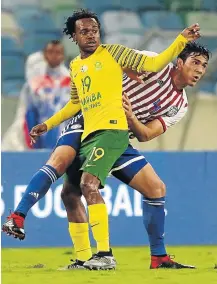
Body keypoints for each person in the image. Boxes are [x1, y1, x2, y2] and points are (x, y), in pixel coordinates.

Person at [2, 9, 201, 269]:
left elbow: (154, 65)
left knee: (140, 188)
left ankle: (133, 255)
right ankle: (77, 253)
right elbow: (76, 102)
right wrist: (48, 123)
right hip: (86, 125)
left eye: (95, 30)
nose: (91, 35)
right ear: (74, 36)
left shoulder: (115, 54)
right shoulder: (75, 66)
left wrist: (180, 40)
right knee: (69, 188)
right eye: (84, 31)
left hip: (113, 131)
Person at [2, 40, 70, 150]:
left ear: (63, 56)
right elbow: (26, 113)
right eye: (50, 52)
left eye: (58, 52)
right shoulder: (33, 85)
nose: (54, 55)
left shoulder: (72, 83)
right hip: (40, 138)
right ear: (44, 55)